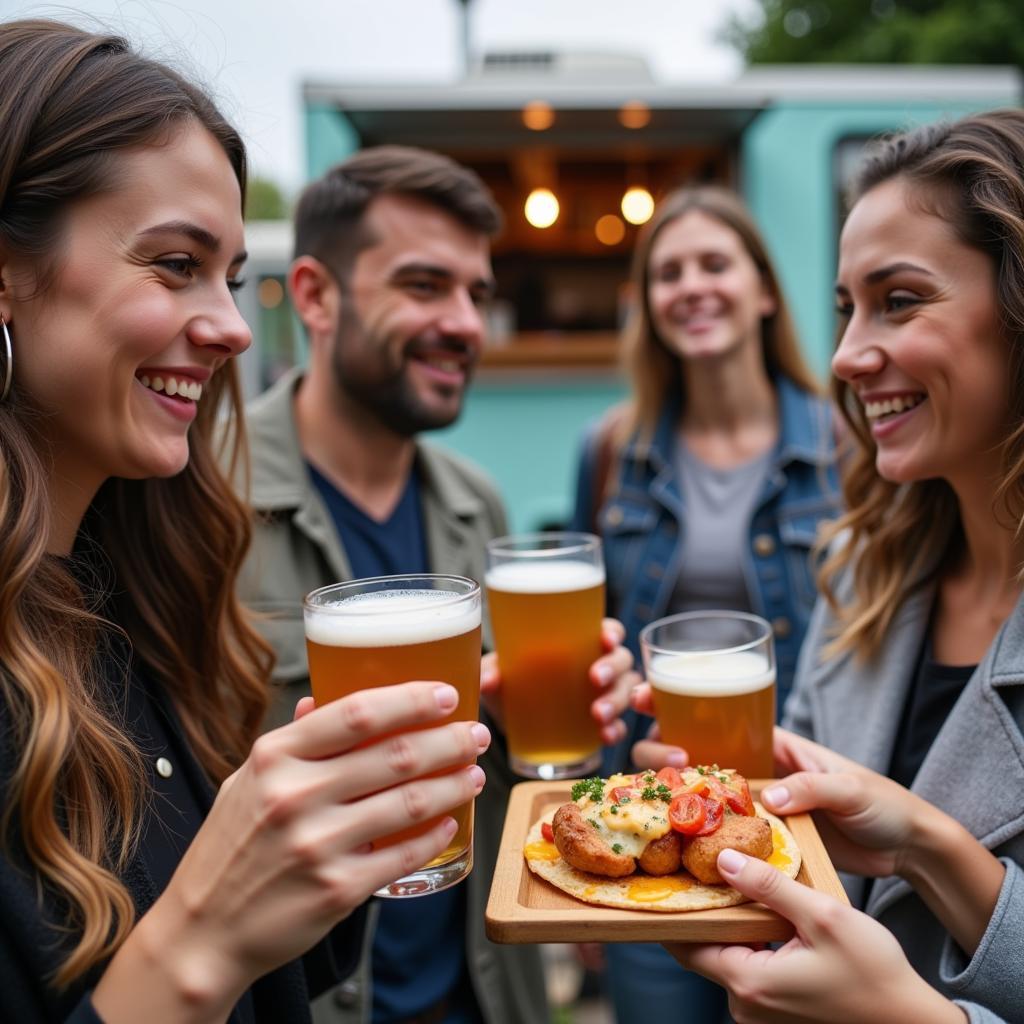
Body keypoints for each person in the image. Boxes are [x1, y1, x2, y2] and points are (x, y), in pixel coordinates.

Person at [0, 20, 492, 1024]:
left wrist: (323, 845)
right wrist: (198, 946)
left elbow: (276, 983)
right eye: (176, 263)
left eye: (227, 274)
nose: (231, 324)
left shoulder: (135, 594)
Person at [635, 109, 1024, 1023]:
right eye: (847, 307)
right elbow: (805, 859)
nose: (847, 356)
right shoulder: (861, 568)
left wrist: (925, 851)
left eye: (900, 299)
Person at [236, 145, 639, 1024]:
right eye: (424, 286)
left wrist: (544, 710)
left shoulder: (476, 501)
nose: (464, 323)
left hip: (487, 993)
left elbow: (488, 752)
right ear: (313, 295)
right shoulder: (207, 501)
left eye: (477, 294)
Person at [569, 185, 841, 1021]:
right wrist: (584, 833)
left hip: (808, 828)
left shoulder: (844, 446)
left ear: (764, 290)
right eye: (669, 273)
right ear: (648, 307)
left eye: (715, 264)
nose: (693, 286)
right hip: (649, 832)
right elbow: (592, 657)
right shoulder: (613, 450)